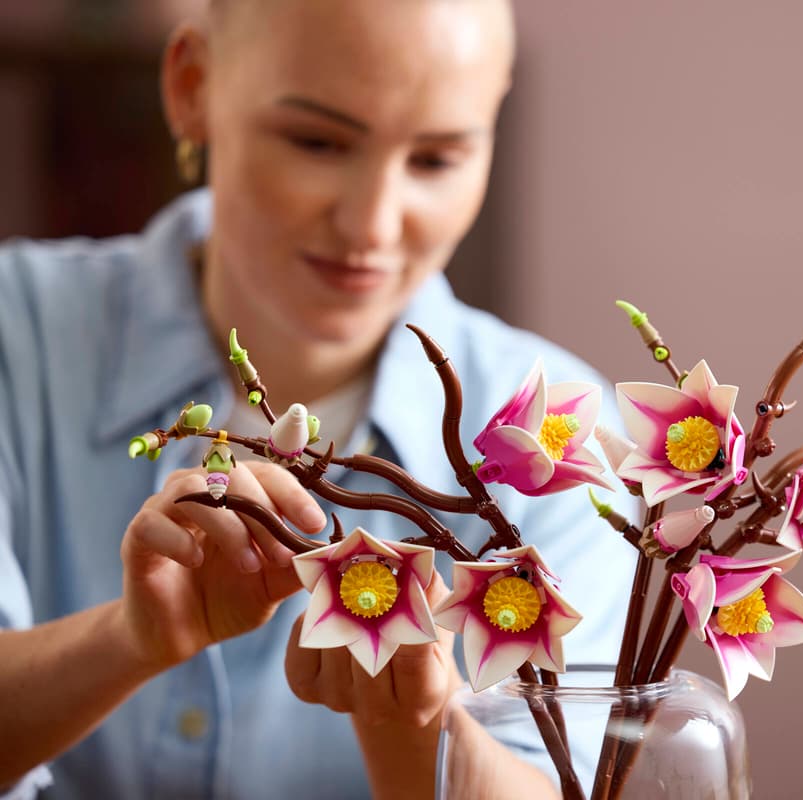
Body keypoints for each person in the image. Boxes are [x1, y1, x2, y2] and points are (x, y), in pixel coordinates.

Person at [0, 1, 636, 797]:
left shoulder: (557, 440)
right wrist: (129, 639)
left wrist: (411, 723)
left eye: (436, 159)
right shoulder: (15, 335)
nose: (371, 225)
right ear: (193, 86)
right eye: (317, 142)